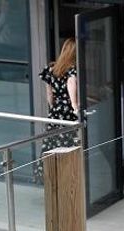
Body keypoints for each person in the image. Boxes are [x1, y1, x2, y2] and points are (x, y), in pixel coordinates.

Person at [36, 38, 79, 183]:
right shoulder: (72, 70)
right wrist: (75, 106)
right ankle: (67, 177)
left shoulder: (51, 69)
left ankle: (48, 175)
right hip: (68, 112)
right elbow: (71, 87)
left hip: (55, 111)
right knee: (68, 143)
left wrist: (55, 107)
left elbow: (50, 96)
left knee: (51, 142)